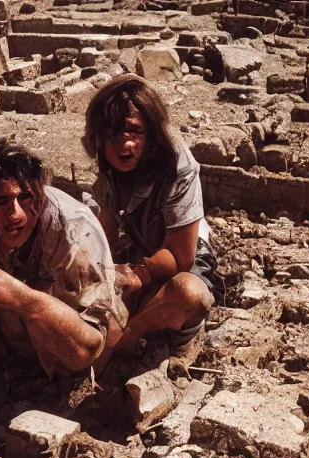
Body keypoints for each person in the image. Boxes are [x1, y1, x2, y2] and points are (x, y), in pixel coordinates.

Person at [0, 139, 128, 376]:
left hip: (75, 346)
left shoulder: (73, 235)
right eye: (1, 202)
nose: (16, 214)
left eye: (25, 198)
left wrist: (22, 298)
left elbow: (88, 347)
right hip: (16, 339)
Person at [83, 74, 217, 376]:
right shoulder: (110, 167)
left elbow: (181, 258)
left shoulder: (177, 166)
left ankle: (138, 337)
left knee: (188, 293)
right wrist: (104, 271)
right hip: (140, 249)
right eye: (113, 134)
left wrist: (137, 276)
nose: (125, 144)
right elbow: (105, 230)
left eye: (134, 131)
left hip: (184, 255)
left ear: (151, 133)